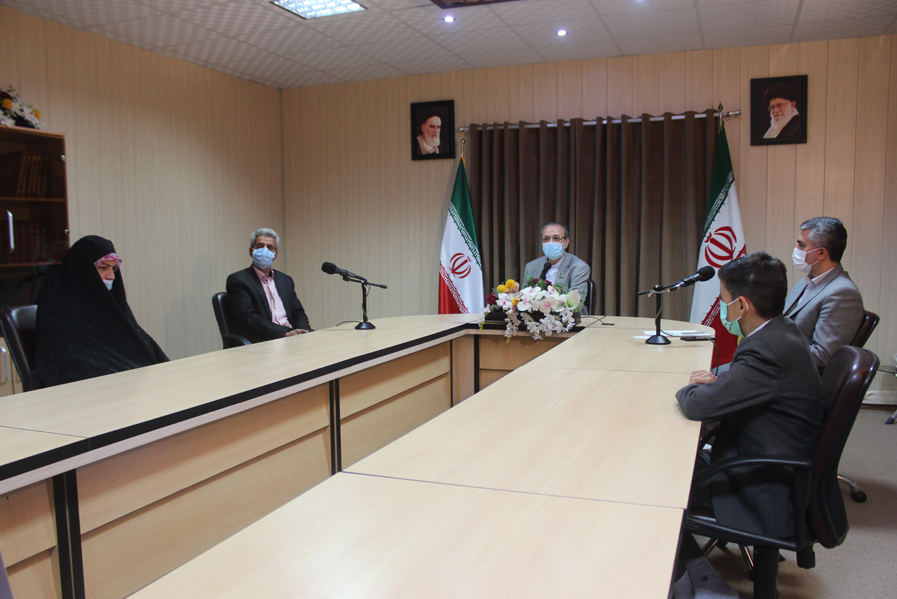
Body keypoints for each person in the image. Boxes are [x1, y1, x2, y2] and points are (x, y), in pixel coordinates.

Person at [676, 252, 824, 540]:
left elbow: (697, 405)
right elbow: (748, 386)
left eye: (723, 298)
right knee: (674, 460)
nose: (722, 306)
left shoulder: (766, 348)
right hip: (767, 457)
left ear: (742, 305)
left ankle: (694, 568)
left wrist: (687, 386)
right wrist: (721, 386)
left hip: (759, 486)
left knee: (653, 484)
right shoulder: (783, 329)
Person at [34, 235, 169, 387]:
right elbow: (70, 363)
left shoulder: (110, 303)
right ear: (82, 268)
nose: (111, 276)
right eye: (103, 268)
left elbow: (139, 346)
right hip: (92, 390)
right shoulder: (56, 306)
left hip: (128, 383)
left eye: (113, 268)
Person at [784, 216, 864, 371]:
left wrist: (773, 349)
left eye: (801, 245)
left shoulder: (843, 293)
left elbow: (823, 355)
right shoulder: (806, 282)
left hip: (797, 376)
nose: (796, 249)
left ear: (821, 253)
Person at [225, 228, 311, 344]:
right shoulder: (238, 280)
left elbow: (298, 312)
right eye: (260, 246)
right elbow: (248, 317)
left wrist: (304, 332)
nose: (264, 250)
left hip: (292, 336)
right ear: (251, 251)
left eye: (270, 247)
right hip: (265, 339)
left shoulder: (285, 280)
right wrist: (284, 333)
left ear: (275, 254)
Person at [523, 222, 590, 293]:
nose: (551, 242)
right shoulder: (531, 267)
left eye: (556, 238)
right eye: (546, 239)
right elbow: (524, 297)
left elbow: (575, 298)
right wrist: (516, 293)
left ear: (566, 242)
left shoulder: (579, 268)